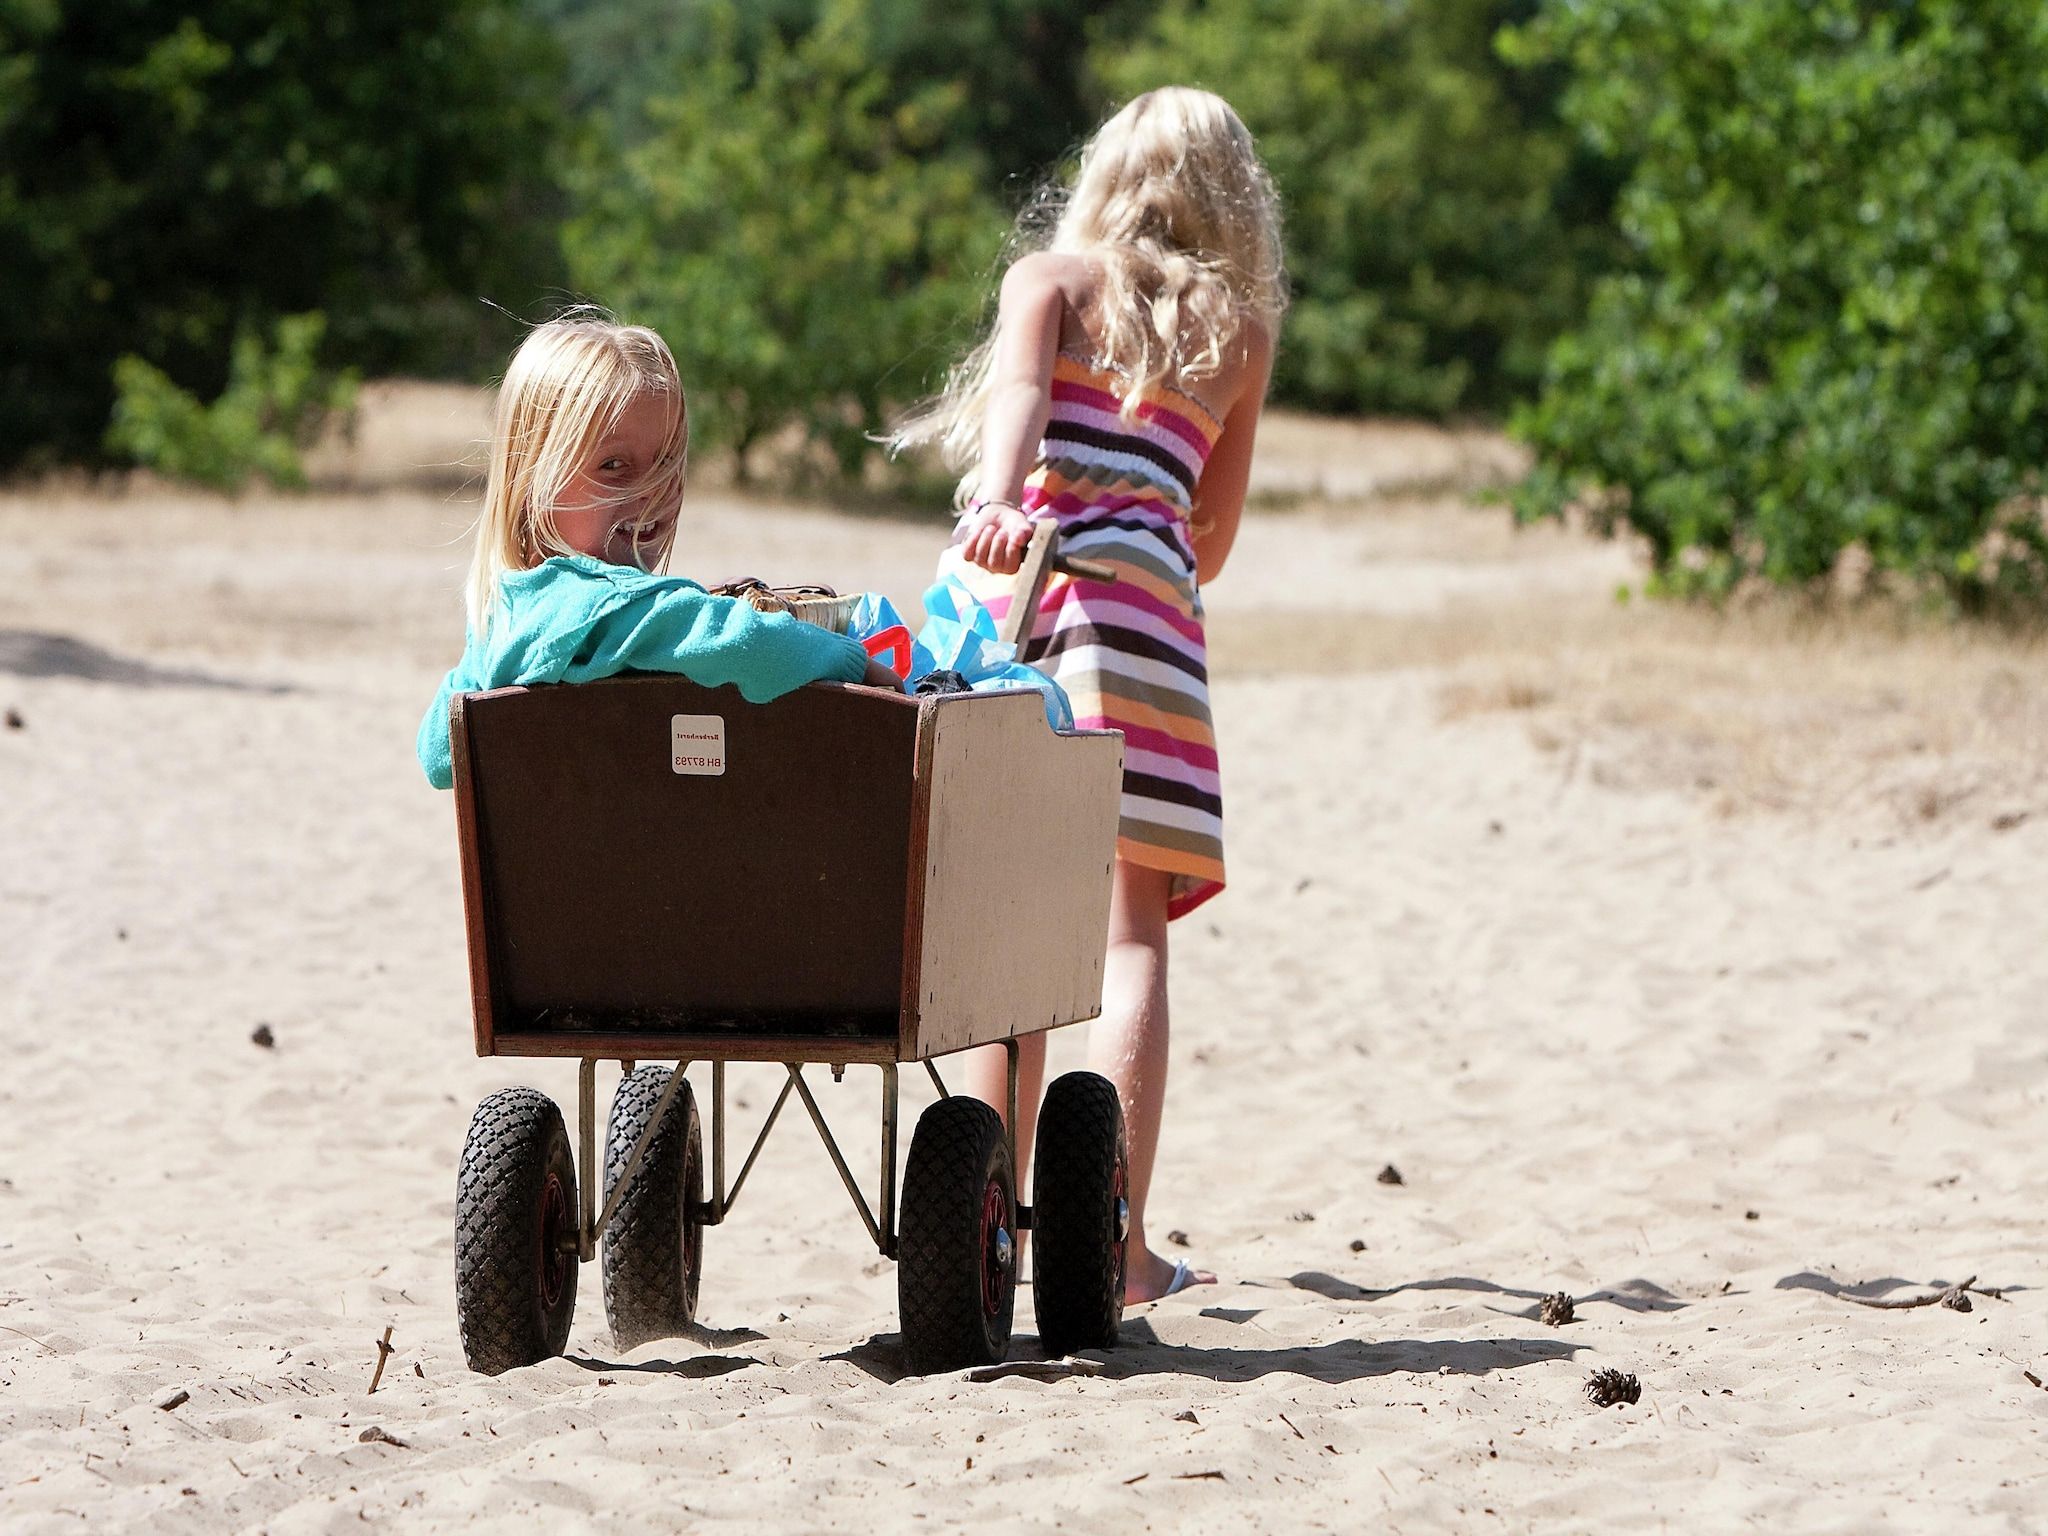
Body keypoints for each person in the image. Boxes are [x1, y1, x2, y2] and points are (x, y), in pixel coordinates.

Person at [892, 88, 1285, 1302]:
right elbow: (1208, 539)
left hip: (1042, 622)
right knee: (1130, 938)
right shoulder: (1238, 332)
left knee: (1010, 932)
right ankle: (1108, 1246)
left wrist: (1000, 502)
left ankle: (988, 1237)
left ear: (1104, 178)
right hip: (1154, 640)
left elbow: (1010, 413)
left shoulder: (1049, 285)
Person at [417, 313, 898, 789]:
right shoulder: (615, 607)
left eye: (666, 461)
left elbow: (437, 754)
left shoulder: (500, 616)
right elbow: (743, 641)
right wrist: (848, 660)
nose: (650, 489)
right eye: (613, 464)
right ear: (533, 481)